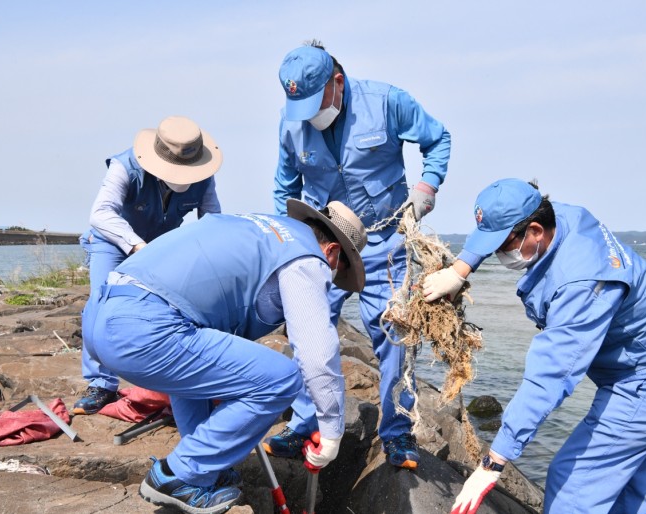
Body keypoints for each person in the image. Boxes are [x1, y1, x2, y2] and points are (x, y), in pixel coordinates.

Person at [423, 178, 646, 513]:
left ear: (536, 231)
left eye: (501, 246)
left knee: (573, 489)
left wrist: (493, 463)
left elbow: (551, 376)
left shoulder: (582, 282)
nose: (498, 254)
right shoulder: (561, 217)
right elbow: (498, 230)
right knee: (627, 499)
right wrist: (460, 268)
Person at [81, 199, 367, 513]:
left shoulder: (259, 227)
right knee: (281, 379)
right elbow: (316, 353)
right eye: (336, 273)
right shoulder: (307, 256)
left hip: (101, 319)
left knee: (201, 364)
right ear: (333, 252)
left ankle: (202, 470)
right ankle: (177, 476)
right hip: (142, 329)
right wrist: (331, 430)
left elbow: (193, 376)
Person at [267, 40, 452, 470]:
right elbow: (284, 188)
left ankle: (397, 432)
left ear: (337, 81)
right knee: (306, 335)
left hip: (385, 242)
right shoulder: (290, 123)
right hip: (321, 245)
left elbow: (439, 138)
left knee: (395, 337)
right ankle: (303, 424)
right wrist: (287, 246)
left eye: (315, 102)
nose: (309, 115)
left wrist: (428, 188)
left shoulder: (388, 102)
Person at [74, 116, 223, 415]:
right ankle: (101, 383)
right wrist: (135, 245)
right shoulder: (124, 167)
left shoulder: (204, 177)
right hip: (113, 239)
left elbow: (212, 222)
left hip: (162, 243)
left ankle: (175, 380)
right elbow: (101, 213)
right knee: (101, 303)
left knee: (176, 306)